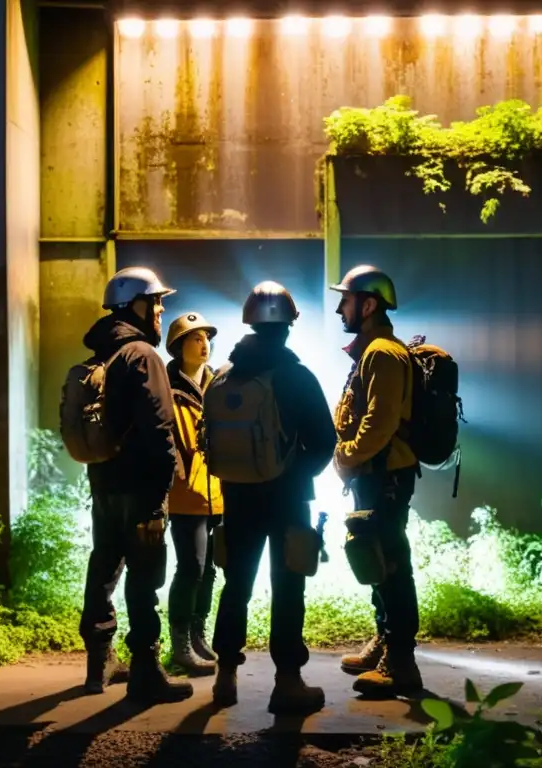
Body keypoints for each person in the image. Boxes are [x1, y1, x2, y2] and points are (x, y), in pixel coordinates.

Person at [205, 281, 337, 714]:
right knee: (288, 588)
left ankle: (225, 676)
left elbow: (211, 444)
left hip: (237, 497)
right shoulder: (296, 376)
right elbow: (323, 440)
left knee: (236, 584)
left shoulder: (223, 376)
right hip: (287, 497)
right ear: (288, 326)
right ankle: (287, 682)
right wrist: (294, 473)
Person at [77, 266, 193, 703]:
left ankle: (99, 662)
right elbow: (159, 425)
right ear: (136, 306)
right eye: (157, 302)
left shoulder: (101, 353)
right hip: (141, 485)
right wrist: (167, 479)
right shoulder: (142, 355)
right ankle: (146, 670)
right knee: (145, 577)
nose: (162, 310)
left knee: (104, 566)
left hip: (104, 480)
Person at [330, 264, 423, 698]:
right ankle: (385, 641)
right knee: (374, 558)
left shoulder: (383, 353)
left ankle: (400, 663)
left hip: (385, 475)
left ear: (368, 305)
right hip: (375, 473)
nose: (338, 308)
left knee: (391, 565)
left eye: (346, 300)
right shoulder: (371, 350)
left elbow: (379, 424)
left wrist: (345, 457)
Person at [164, 312, 223, 675]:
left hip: (218, 490)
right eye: (194, 338)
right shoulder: (166, 388)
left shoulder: (220, 384)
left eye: (206, 337)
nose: (203, 344)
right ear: (178, 346)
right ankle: (180, 642)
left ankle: (199, 634)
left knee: (211, 569)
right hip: (185, 495)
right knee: (191, 566)